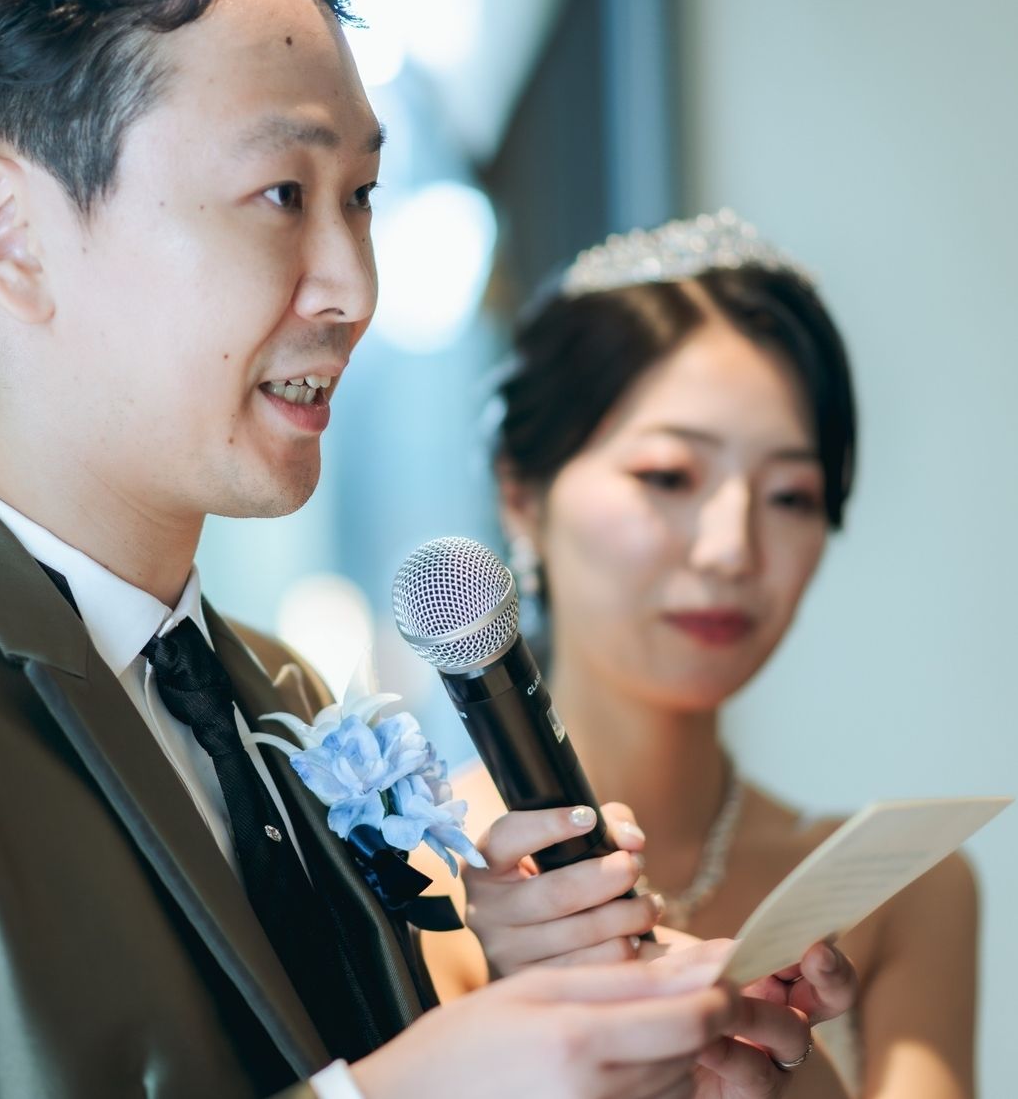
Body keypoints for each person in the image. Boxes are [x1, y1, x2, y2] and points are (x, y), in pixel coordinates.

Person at [0, 0, 856, 1095]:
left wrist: (554, 1028)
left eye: (359, 194)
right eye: (280, 192)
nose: (353, 288)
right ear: (7, 235)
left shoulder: (287, 697)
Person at [417, 212, 977, 1098]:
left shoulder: (906, 892)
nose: (731, 550)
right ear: (521, 496)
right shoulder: (418, 885)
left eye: (791, 495)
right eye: (669, 477)